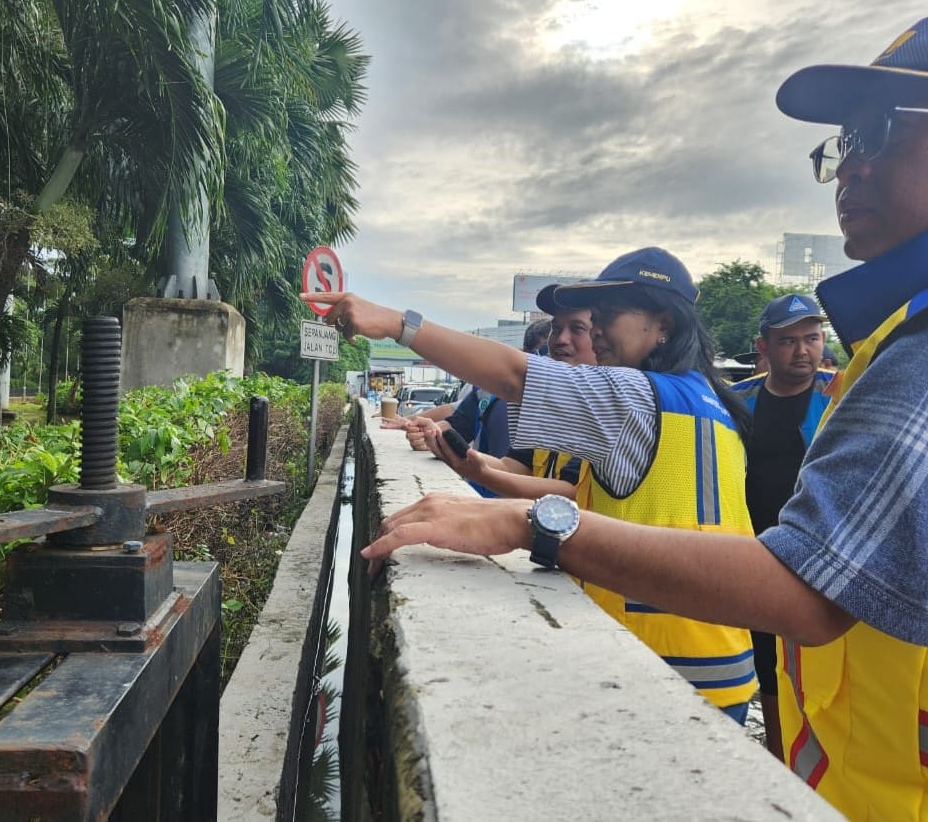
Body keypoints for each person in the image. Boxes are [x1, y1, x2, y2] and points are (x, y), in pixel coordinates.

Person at [330, 9, 928, 820]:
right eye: (843, 144)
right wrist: (484, 475)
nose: (852, 168)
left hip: (878, 771)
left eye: (880, 130)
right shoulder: (731, 389)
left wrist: (402, 330)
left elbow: (812, 586)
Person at [308, 246, 761, 723]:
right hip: (717, 650)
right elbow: (616, 505)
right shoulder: (710, 403)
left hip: (667, 656)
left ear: (664, 323)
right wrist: (485, 481)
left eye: (608, 316)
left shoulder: (635, 397)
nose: (597, 329)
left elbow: (513, 374)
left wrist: (399, 322)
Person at [730, 294, 835, 761]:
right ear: (764, 346)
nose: (802, 351)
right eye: (788, 341)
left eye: (811, 339)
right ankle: (777, 757)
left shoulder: (842, 392)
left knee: (821, 660)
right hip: (753, 550)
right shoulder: (739, 400)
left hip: (819, 552)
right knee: (765, 661)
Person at [426, 304, 596, 499]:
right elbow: (513, 466)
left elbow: (571, 492)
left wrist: (402, 327)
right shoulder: (544, 409)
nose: (561, 339)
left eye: (577, 328)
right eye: (556, 329)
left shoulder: (610, 410)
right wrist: (448, 448)